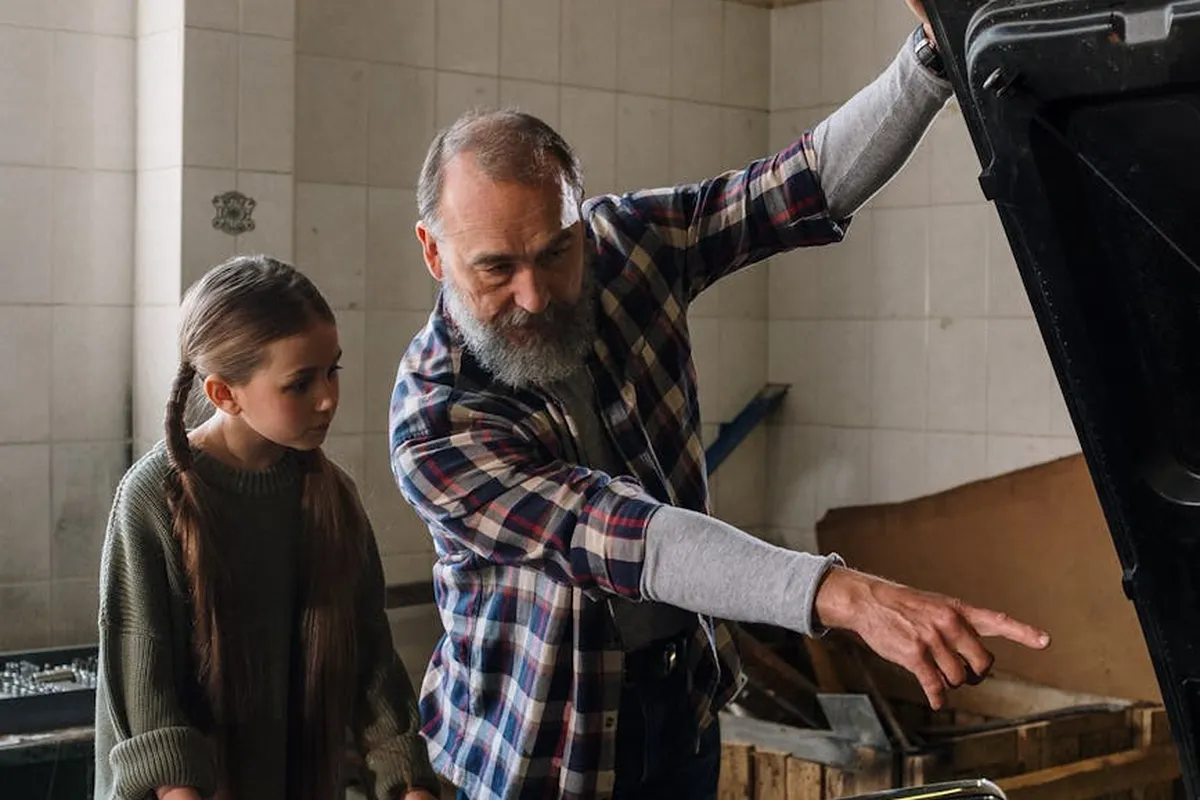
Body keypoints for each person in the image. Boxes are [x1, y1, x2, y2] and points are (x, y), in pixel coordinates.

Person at [388, 9, 1051, 800]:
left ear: (580, 216)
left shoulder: (623, 245)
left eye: (556, 251)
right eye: (495, 269)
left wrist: (934, 55)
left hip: (680, 704)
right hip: (536, 750)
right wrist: (841, 593)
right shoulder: (434, 421)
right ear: (433, 251)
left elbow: (797, 186)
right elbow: (626, 536)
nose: (534, 294)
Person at [94, 255, 440, 800]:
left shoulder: (333, 498)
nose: (328, 398)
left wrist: (408, 780)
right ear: (223, 394)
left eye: (333, 371)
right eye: (300, 384)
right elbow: (148, 699)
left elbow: (371, 665)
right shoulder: (151, 501)